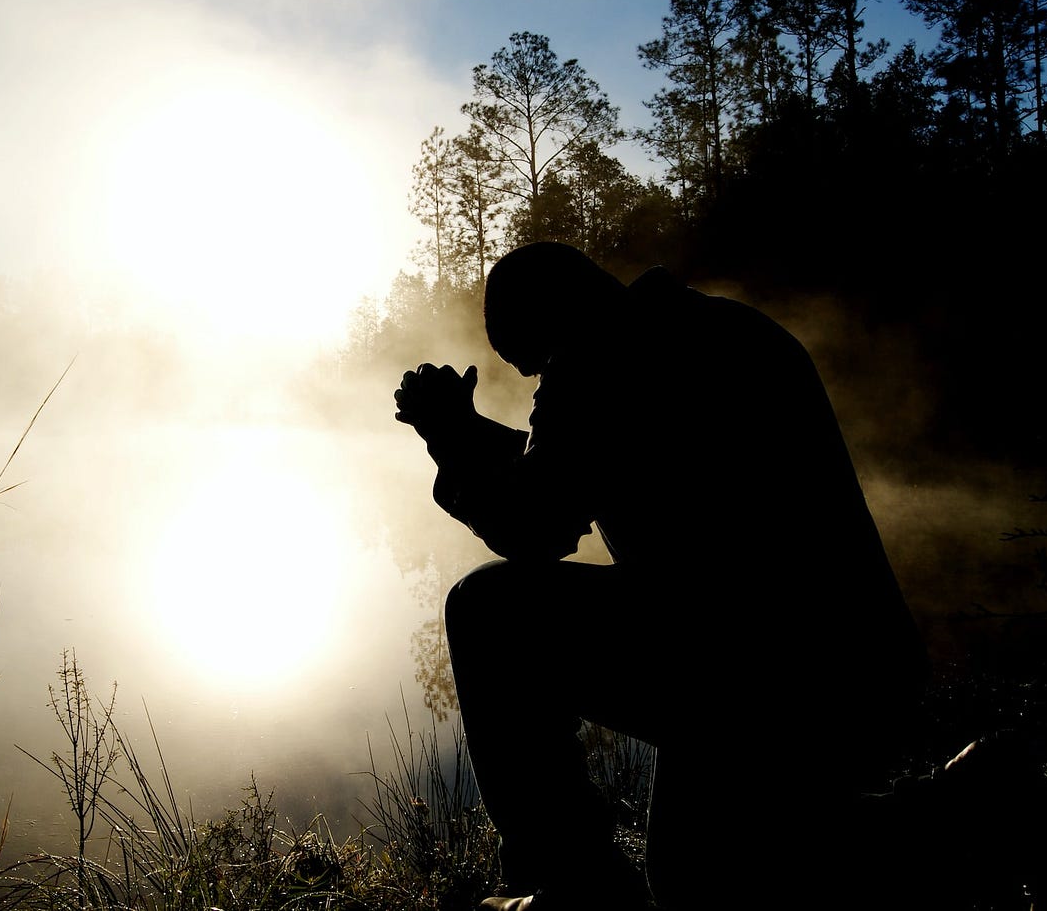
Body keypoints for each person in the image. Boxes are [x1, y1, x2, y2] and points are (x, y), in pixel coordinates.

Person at [394, 242, 928, 910]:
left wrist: (448, 438)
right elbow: (582, 460)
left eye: (539, 366)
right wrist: (472, 431)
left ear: (556, 317)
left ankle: (575, 887)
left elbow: (537, 526)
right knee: (699, 879)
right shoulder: (720, 329)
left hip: (747, 669)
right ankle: (973, 805)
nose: (540, 386)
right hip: (853, 667)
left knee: (487, 610)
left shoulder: (598, 362)